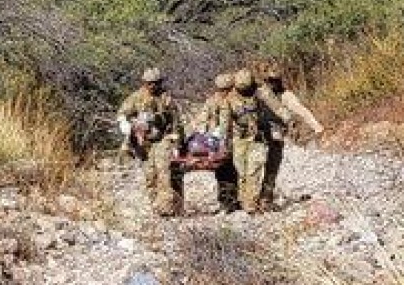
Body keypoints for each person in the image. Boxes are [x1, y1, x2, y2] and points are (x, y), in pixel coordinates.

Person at [116, 68, 185, 217]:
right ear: (144, 83)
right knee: (150, 176)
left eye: (156, 83)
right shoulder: (136, 97)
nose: (153, 86)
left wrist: (178, 144)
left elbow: (176, 122)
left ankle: (167, 209)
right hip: (144, 143)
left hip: (163, 140)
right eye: (149, 83)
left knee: (164, 173)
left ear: (160, 83)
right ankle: (156, 207)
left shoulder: (166, 98)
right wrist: (124, 123)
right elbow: (123, 112)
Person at [258, 64, 324, 210]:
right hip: (256, 135)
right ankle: (251, 199)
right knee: (252, 168)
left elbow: (300, 109)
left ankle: (265, 197)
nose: (272, 83)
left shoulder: (285, 95)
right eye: (270, 80)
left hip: (274, 134)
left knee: (272, 167)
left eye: (275, 80)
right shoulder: (258, 93)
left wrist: (315, 125)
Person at [227, 69, 291, 213]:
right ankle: (243, 200)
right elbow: (223, 115)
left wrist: (288, 119)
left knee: (254, 169)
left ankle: (254, 202)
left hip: (258, 135)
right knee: (240, 170)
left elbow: (277, 107)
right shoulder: (230, 94)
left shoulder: (261, 90)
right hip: (238, 136)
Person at [192, 73, 239, 213]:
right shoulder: (218, 101)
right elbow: (202, 120)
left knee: (230, 172)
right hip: (223, 142)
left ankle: (231, 201)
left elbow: (201, 121)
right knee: (226, 172)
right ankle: (228, 202)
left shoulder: (215, 100)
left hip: (229, 140)